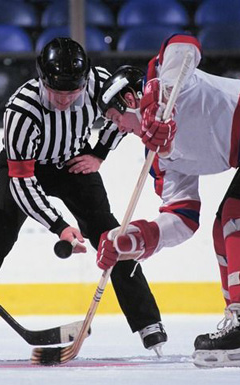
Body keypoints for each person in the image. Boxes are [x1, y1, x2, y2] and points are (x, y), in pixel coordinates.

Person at [0, 37, 167, 359]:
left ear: (85, 80)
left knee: (112, 234)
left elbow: (124, 114)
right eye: (57, 92)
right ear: (41, 79)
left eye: (71, 93)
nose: (64, 100)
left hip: (74, 162)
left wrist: (99, 152)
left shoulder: (100, 83)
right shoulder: (21, 110)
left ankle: (148, 323)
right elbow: (22, 183)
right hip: (28, 168)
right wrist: (59, 226)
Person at [96, 33, 240, 368]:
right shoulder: (159, 156)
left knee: (235, 215)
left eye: (114, 117)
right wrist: (135, 238)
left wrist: (159, 104)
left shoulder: (170, 82)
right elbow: (183, 216)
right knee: (223, 226)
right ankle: (236, 317)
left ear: (130, 97)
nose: (117, 128)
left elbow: (184, 42)